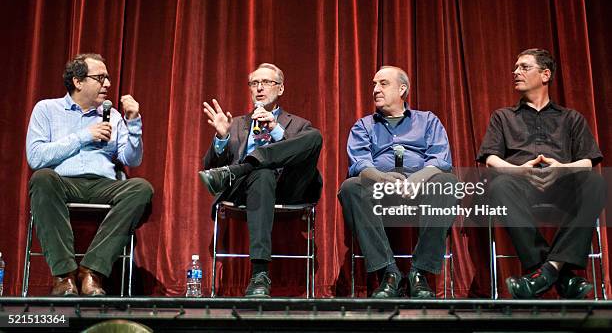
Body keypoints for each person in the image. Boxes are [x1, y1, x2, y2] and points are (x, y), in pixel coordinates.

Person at [477, 48, 606, 299]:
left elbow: (588, 162)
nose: (516, 72)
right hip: (519, 187)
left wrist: (561, 169)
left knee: (595, 183)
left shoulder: (571, 118)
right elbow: (490, 158)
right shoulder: (502, 117)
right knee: (500, 185)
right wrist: (519, 171)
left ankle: (544, 273)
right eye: (515, 67)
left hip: (562, 188)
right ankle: (558, 273)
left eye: (524, 67)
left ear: (545, 74)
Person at [26, 53, 153, 296]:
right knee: (41, 178)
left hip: (103, 185)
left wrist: (134, 123)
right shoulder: (47, 109)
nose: (107, 84)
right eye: (100, 78)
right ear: (78, 81)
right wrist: (84, 135)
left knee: (141, 188)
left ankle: (92, 271)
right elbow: (36, 157)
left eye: (108, 78)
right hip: (63, 183)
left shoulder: (112, 115)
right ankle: (64, 275)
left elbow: (131, 159)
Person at [200, 63, 323, 298]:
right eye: (254, 83)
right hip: (246, 190)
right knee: (262, 173)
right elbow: (211, 170)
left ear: (281, 89)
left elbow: (304, 157)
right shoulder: (234, 124)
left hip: (289, 186)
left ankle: (251, 162)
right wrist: (222, 139)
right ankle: (260, 274)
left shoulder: (298, 125)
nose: (259, 88)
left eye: (266, 82)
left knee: (314, 136)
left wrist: (277, 130)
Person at [338, 66, 458, 298]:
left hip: (421, 187)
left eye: (383, 84)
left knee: (447, 182)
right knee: (351, 187)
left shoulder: (427, 121)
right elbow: (360, 164)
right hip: (379, 188)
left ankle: (419, 274)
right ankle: (388, 273)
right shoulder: (364, 126)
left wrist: (417, 178)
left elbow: (441, 159)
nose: (375, 89)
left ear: (402, 89)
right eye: (374, 84)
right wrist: (382, 177)